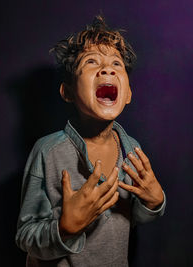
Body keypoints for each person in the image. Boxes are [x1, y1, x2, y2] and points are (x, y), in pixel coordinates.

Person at [15, 15, 166, 267]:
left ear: (127, 94)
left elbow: (131, 218)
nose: (107, 69)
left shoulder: (133, 151)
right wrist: (65, 228)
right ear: (68, 91)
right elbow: (25, 236)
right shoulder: (48, 151)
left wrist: (155, 202)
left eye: (116, 63)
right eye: (92, 62)